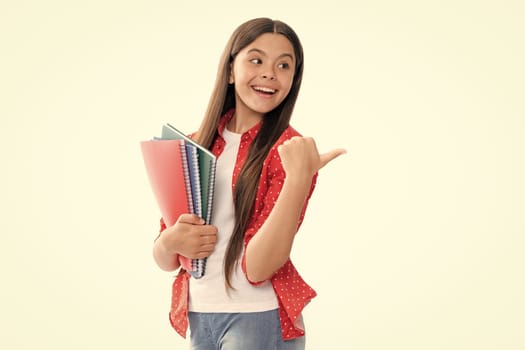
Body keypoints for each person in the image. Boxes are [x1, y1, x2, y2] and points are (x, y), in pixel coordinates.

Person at [152, 17, 346, 350]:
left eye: (284, 65)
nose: (270, 72)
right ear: (230, 70)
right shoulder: (194, 144)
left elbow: (259, 268)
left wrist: (299, 178)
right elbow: (164, 255)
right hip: (199, 314)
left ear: (293, 80)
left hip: (258, 317)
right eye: (256, 60)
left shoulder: (291, 152)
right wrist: (170, 242)